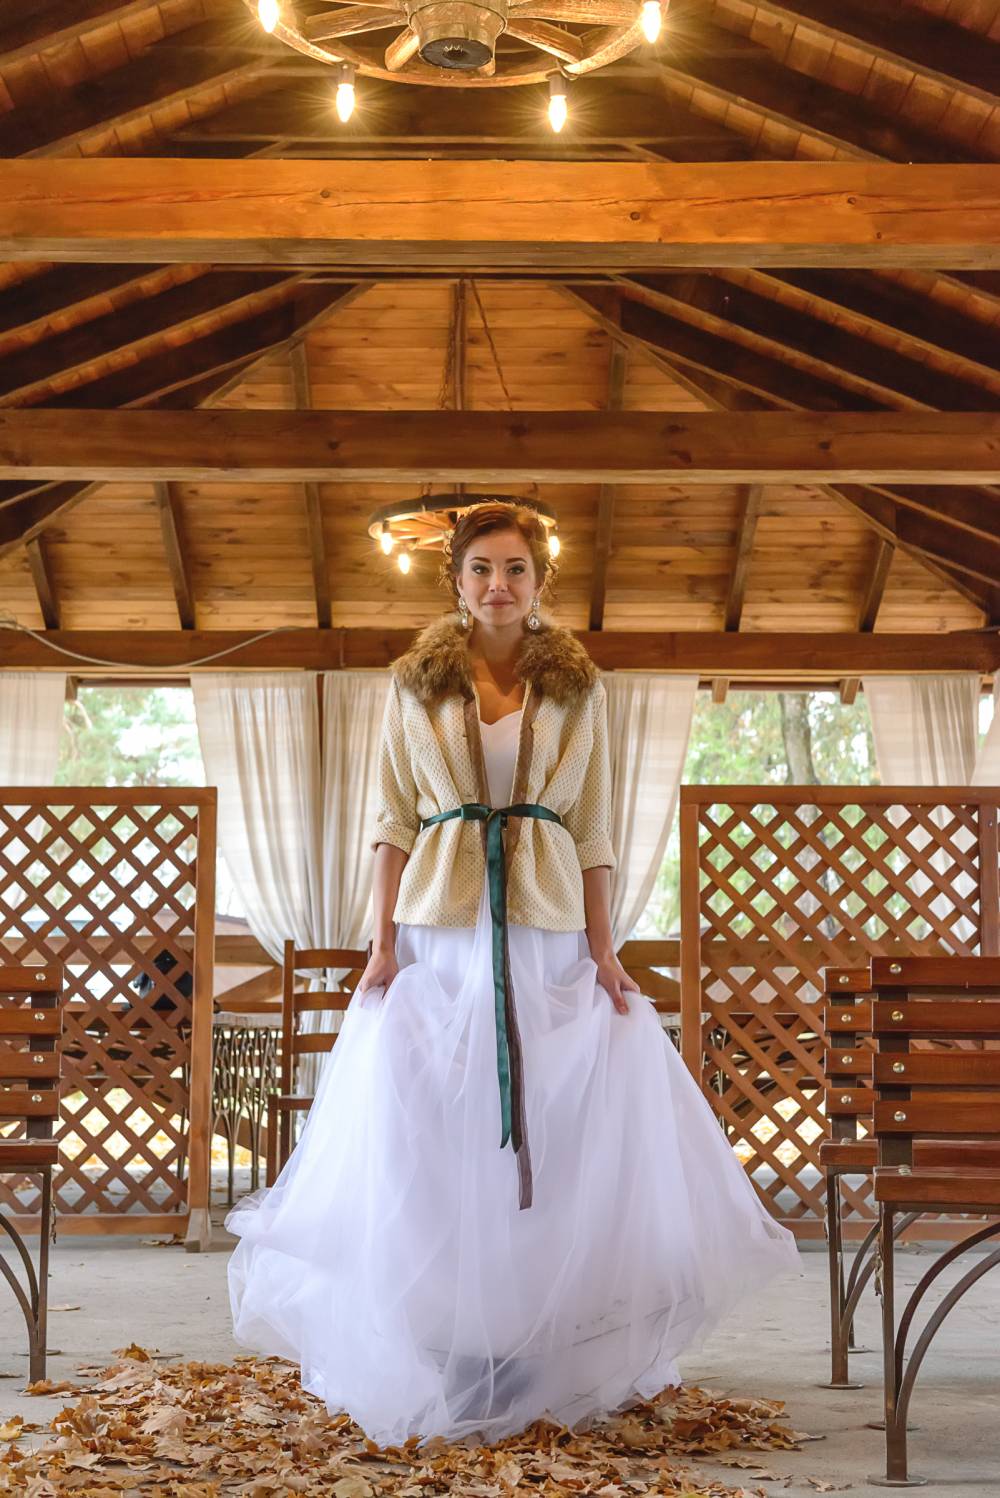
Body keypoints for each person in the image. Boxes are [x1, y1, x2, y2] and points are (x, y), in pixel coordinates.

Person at [226, 500, 799, 1450]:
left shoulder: (580, 688)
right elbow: (391, 819)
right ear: (456, 582)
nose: (499, 584)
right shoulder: (412, 683)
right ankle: (443, 1335)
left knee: (551, 1114)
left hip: (543, 927)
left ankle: (540, 1338)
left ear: (540, 581)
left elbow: (595, 827)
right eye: (483, 568)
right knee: (435, 1118)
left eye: (516, 569)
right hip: (441, 928)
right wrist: (379, 943)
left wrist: (606, 951)